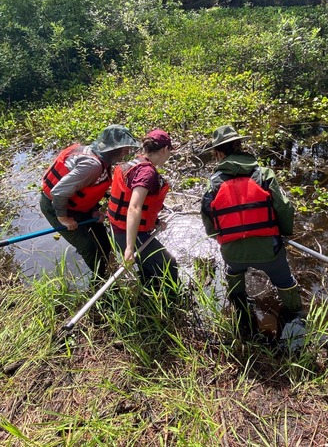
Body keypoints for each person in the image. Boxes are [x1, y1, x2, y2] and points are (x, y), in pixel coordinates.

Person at [200, 125, 303, 337]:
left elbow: (208, 220)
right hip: (269, 250)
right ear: (239, 146)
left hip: (232, 253)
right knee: (285, 282)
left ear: (218, 153)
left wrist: (222, 239)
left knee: (233, 271)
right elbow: (284, 208)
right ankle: (295, 317)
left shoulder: (213, 183)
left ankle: (239, 306)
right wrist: (283, 233)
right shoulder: (264, 174)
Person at [40, 124, 140, 281]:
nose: (127, 153)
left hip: (77, 205)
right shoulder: (91, 166)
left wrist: (94, 210)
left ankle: (112, 270)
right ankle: (101, 281)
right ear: (114, 149)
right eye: (125, 148)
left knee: (103, 239)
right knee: (88, 247)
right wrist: (63, 218)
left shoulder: (99, 160)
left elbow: (87, 189)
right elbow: (58, 192)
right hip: (56, 206)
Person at [107, 129, 179, 300]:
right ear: (163, 150)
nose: (169, 156)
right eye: (169, 151)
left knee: (148, 267)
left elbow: (138, 202)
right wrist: (129, 248)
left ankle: (147, 299)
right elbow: (134, 208)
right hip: (129, 234)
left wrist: (154, 222)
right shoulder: (146, 173)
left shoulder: (134, 163)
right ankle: (173, 303)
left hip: (121, 229)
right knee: (169, 264)